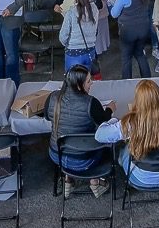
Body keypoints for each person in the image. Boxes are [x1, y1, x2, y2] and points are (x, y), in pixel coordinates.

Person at [94, 79, 159, 189]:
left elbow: (100, 135)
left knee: (123, 150)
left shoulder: (130, 122)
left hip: (143, 178)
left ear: (138, 100)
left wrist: (113, 120)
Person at [45, 64, 113, 198]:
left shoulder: (53, 97)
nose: (92, 83)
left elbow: (47, 116)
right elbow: (103, 122)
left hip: (57, 155)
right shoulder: (90, 103)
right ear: (78, 85)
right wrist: (110, 109)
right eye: (88, 81)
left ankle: (68, 179)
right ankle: (95, 181)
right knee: (107, 144)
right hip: (83, 160)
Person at [110, 0, 154, 78]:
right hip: (143, 29)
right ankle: (147, 82)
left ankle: (127, 84)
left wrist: (112, 4)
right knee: (140, 54)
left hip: (128, 31)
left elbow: (114, 14)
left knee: (126, 58)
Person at [60, 0, 100, 72]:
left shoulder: (71, 11)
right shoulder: (94, 9)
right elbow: (95, 30)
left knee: (73, 81)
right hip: (90, 50)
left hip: (73, 52)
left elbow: (63, 36)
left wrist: (67, 44)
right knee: (86, 81)